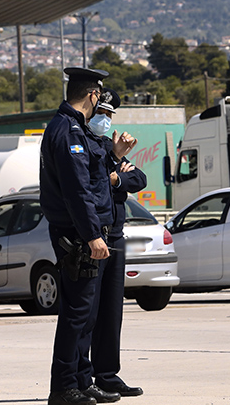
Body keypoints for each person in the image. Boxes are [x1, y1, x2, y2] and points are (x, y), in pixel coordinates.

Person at [40, 67, 136, 405]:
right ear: (94, 95)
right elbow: (77, 191)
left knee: (89, 314)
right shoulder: (67, 131)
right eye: (100, 98)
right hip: (77, 237)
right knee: (77, 314)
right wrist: (93, 234)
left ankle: (82, 380)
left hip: (88, 234)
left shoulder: (76, 129)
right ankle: (64, 386)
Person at [89, 88, 146, 398]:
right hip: (93, 237)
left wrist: (117, 177)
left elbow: (139, 179)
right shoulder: (87, 145)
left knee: (112, 311)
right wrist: (114, 171)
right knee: (89, 311)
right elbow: (92, 182)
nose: (105, 121)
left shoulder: (108, 151)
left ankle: (108, 374)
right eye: (101, 114)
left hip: (115, 236)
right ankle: (84, 376)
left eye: (110, 115)